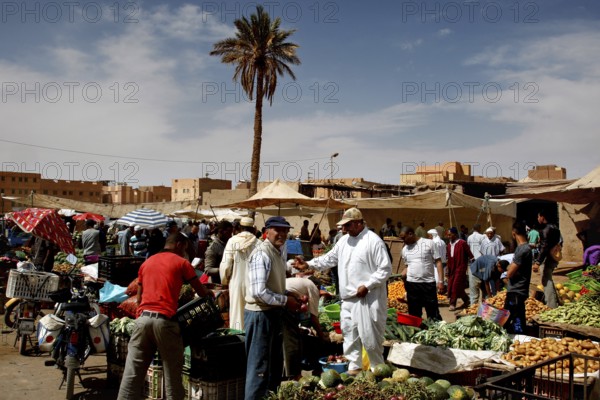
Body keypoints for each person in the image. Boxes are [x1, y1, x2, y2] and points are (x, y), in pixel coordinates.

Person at [295, 208, 391, 375]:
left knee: (370, 339)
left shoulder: (373, 241)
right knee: (349, 336)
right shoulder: (343, 241)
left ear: (360, 223)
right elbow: (329, 258)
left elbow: (385, 269)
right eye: (344, 226)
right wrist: (309, 265)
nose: (344, 229)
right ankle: (354, 369)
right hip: (347, 298)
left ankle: (378, 371)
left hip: (367, 299)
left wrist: (367, 285)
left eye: (348, 225)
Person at [117, 233, 212, 400]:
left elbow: (139, 299)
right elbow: (200, 291)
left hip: (142, 320)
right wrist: (209, 293)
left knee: (132, 373)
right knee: (172, 374)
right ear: (179, 244)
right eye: (186, 247)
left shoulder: (147, 263)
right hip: (165, 322)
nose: (186, 252)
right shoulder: (182, 263)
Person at [244, 216, 302, 400]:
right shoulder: (261, 254)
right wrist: (286, 301)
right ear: (266, 232)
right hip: (260, 315)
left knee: (273, 368)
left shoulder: (276, 252)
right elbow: (259, 293)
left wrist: (289, 294)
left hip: (272, 313)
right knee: (259, 369)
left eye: (285, 230)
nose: (282, 234)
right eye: (278, 230)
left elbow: (272, 286)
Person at [282, 277, 326, 379]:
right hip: (285, 300)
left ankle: (288, 372)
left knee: (284, 338)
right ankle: (294, 374)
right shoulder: (313, 288)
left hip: (277, 298)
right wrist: (321, 336)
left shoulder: (301, 282)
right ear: (318, 286)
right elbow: (314, 317)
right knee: (292, 340)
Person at [219, 217, 258, 331]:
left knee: (237, 314)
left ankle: (237, 339)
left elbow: (225, 265)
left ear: (240, 228)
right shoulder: (259, 243)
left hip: (236, 283)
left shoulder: (232, 241)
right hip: (254, 285)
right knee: (252, 313)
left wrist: (225, 281)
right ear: (253, 229)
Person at [399, 226, 444, 320]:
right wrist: (403, 275)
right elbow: (407, 266)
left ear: (410, 234)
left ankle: (435, 331)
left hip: (428, 283)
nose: (403, 241)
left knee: (433, 313)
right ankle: (417, 331)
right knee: (414, 314)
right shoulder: (404, 250)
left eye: (404, 238)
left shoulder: (429, 243)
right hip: (412, 285)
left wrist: (441, 281)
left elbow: (438, 261)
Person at [502, 221, 533, 334]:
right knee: (514, 317)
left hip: (517, 291)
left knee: (515, 320)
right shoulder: (522, 248)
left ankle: (519, 341)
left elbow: (510, 273)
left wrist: (508, 270)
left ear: (514, 233)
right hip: (517, 290)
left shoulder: (523, 250)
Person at [534, 210, 562, 308]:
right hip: (553, 257)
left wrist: (538, 262)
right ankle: (556, 301)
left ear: (542, 217)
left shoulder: (546, 229)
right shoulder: (555, 227)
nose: (538, 219)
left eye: (538, 216)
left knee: (546, 280)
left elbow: (544, 246)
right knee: (548, 278)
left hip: (547, 258)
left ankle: (552, 306)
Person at [446, 227, 473, 311]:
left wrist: (473, 262)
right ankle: (466, 300)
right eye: (448, 235)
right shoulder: (449, 245)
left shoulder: (462, 243)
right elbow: (449, 257)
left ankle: (452, 303)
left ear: (455, 234)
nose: (448, 236)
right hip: (452, 268)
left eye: (450, 235)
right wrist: (447, 268)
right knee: (457, 287)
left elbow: (470, 254)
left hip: (460, 267)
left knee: (455, 285)